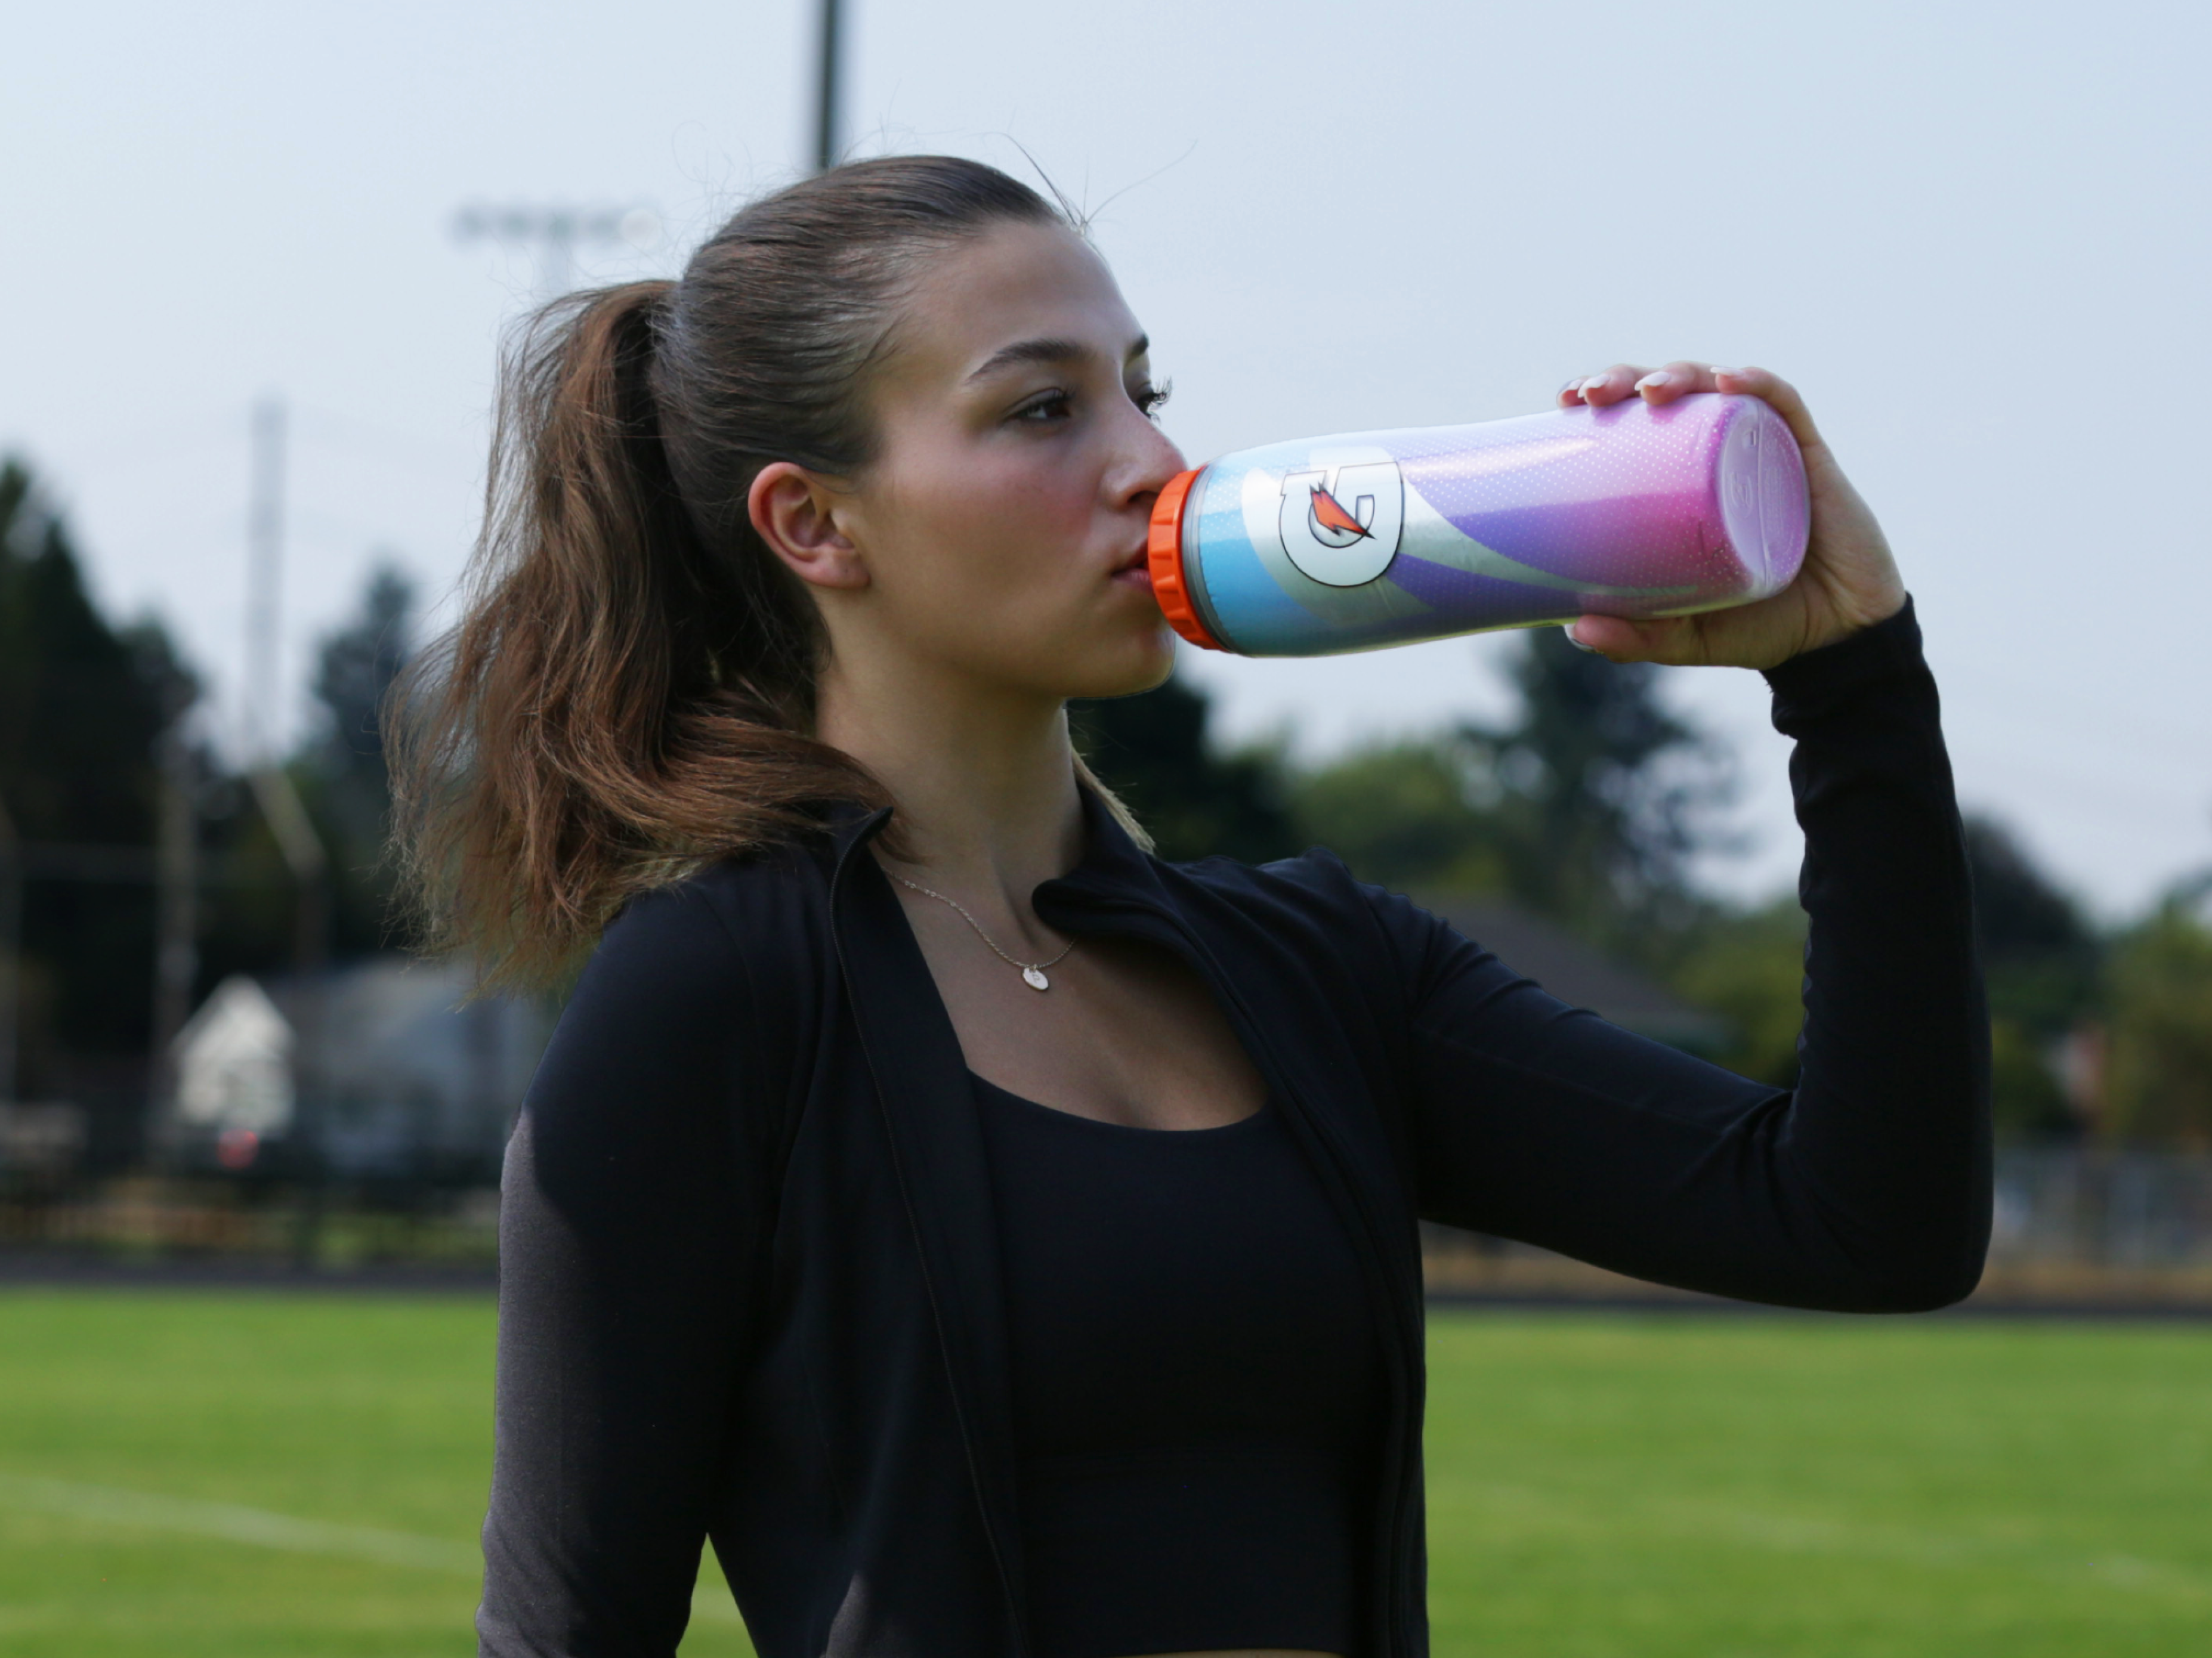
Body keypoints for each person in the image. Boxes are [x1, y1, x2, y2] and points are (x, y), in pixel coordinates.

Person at [396, 156, 1990, 1658]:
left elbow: (1867, 1221)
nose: (1152, 464)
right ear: (812, 522)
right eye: (1040, 408)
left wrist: (1845, 674)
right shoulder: (721, 994)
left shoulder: (1319, 965)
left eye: (1140, 391)